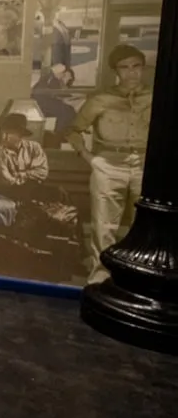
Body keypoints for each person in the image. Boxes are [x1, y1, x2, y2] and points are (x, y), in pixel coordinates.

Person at [65, 44, 151, 285]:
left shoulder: (156, 98)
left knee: (144, 225)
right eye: (124, 67)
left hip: (144, 165)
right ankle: (100, 280)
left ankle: (136, 279)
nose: (131, 73)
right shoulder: (101, 100)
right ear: (116, 71)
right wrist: (90, 158)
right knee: (104, 226)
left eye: (136, 66)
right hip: (109, 165)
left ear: (143, 68)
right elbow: (73, 131)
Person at [0, 112, 50, 201]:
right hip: (8, 195)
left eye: (9, 133)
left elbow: (42, 172)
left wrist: (21, 174)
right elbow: (6, 181)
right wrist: (29, 175)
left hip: (33, 191)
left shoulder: (34, 148)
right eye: (3, 132)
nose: (4, 137)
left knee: (58, 194)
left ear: (20, 134)